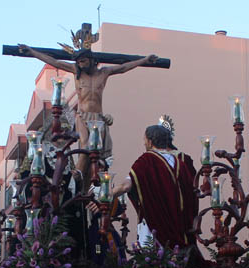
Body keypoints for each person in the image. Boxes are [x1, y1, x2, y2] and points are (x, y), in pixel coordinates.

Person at [17, 37, 158, 184]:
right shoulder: (76, 72)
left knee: (99, 153)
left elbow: (123, 68)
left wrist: (144, 60)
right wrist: (32, 52)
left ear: (91, 60)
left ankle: (94, 179)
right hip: (82, 116)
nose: (80, 64)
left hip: (98, 117)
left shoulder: (103, 73)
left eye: (83, 61)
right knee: (85, 145)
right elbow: (55, 62)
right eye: (78, 61)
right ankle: (77, 172)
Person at [112, 125, 198, 249]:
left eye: (144, 140)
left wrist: (104, 195)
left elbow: (125, 186)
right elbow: (191, 198)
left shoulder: (146, 161)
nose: (144, 143)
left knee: (152, 264)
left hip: (155, 227)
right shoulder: (180, 164)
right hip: (179, 229)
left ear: (150, 142)